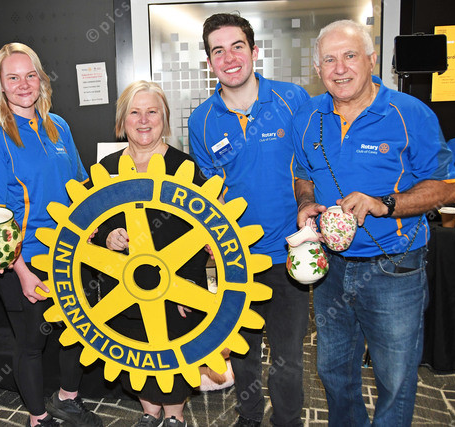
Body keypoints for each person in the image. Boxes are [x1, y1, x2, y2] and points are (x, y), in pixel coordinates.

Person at [292, 20, 455, 426]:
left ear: (371, 59)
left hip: (395, 269)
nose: (340, 68)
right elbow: (303, 173)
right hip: (331, 269)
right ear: (317, 69)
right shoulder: (307, 115)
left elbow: (448, 187)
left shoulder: (410, 114)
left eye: (350, 56)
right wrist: (307, 202)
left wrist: (386, 204)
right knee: (333, 371)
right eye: (329, 60)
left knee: (394, 378)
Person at [187, 13, 310, 427]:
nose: (229, 58)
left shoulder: (292, 100)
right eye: (218, 51)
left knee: (289, 357)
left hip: (289, 252)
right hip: (237, 258)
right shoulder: (202, 120)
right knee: (242, 352)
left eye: (237, 46)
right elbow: (213, 191)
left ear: (254, 51)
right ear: (209, 62)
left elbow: (311, 168)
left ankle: (288, 421)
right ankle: (250, 416)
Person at [0, 42, 102, 427]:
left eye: (30, 75)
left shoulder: (58, 125)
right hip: (25, 257)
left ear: (41, 79)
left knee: (76, 331)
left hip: (69, 251)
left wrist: (90, 226)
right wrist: (22, 271)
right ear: (0, 85)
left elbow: (80, 184)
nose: (23, 84)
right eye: (13, 77)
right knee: (32, 342)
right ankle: (38, 417)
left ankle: (68, 399)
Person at [90, 80, 208, 427]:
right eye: (134, 113)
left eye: (152, 112)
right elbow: (88, 226)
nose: (143, 121)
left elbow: (205, 234)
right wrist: (106, 238)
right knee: (132, 351)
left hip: (176, 286)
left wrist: (190, 287)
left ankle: (173, 417)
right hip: (122, 286)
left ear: (164, 119)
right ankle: (148, 412)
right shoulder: (105, 168)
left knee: (173, 355)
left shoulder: (184, 168)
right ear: (122, 121)